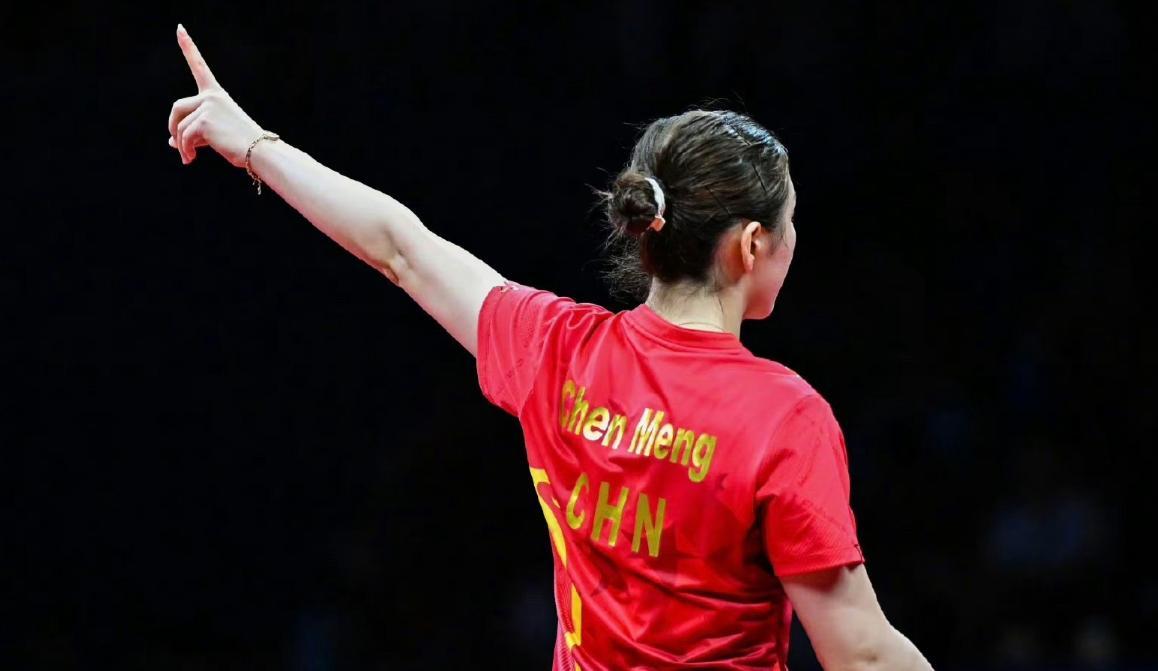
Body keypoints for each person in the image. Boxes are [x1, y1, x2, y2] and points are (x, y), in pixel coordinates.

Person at [167, 23, 933, 671]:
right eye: (792, 222)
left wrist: (253, 144)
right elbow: (861, 653)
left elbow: (400, 247)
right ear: (753, 243)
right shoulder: (785, 417)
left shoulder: (556, 349)